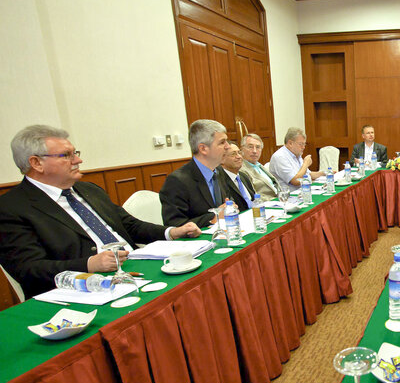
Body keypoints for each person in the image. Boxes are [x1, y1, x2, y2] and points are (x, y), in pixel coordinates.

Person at [0, 125, 201, 298]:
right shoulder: (12, 208)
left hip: (136, 271)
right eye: (66, 155)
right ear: (36, 163)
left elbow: (130, 225)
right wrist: (89, 264)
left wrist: (171, 232)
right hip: (84, 291)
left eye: (75, 153)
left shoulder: (89, 190)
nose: (77, 161)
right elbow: (28, 269)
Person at [160, 119, 231, 227]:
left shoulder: (219, 171)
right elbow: (174, 225)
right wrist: (213, 218)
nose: (228, 146)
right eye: (222, 142)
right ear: (203, 149)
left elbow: (224, 205)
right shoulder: (177, 181)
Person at [217, 141, 255, 211]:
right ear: (221, 159)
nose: (239, 157)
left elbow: (254, 200)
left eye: (239, 153)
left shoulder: (244, 176)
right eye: (233, 154)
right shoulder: (219, 181)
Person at [239, 133, 278, 200]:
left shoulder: (259, 165)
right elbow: (253, 196)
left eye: (258, 147)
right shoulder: (241, 170)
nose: (254, 151)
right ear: (242, 149)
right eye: (250, 147)